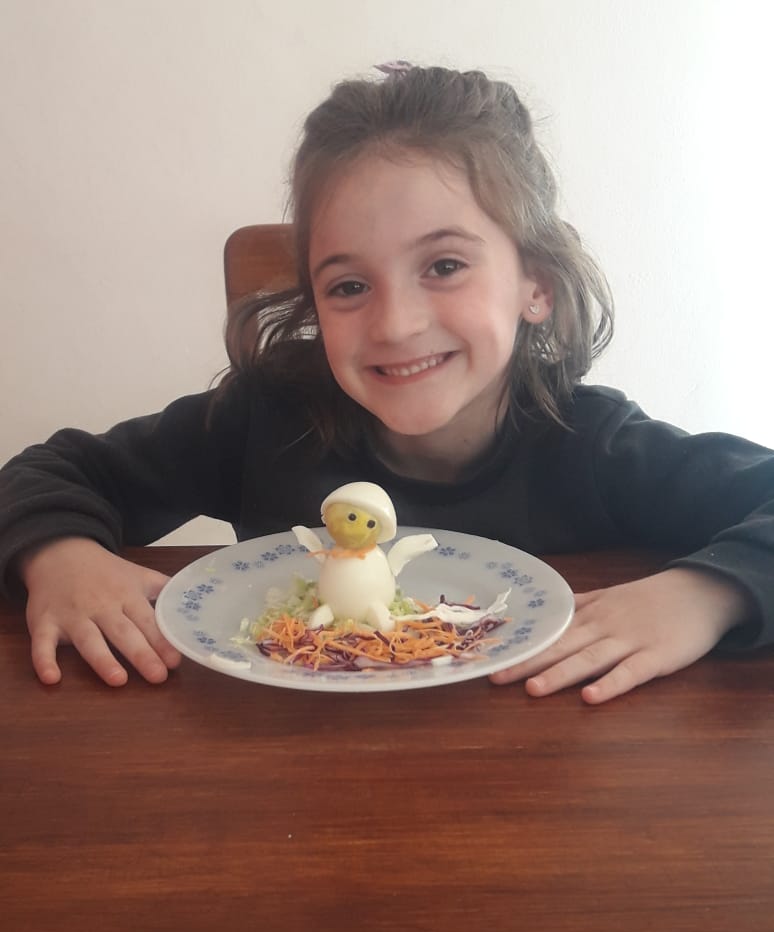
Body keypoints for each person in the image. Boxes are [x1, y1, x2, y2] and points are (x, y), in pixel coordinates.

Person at [1, 65, 772, 704]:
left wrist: (707, 594)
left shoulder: (594, 444)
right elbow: (50, 473)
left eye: (444, 266)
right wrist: (60, 556)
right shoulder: (267, 417)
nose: (396, 324)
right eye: (348, 286)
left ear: (535, 283)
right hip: (287, 780)